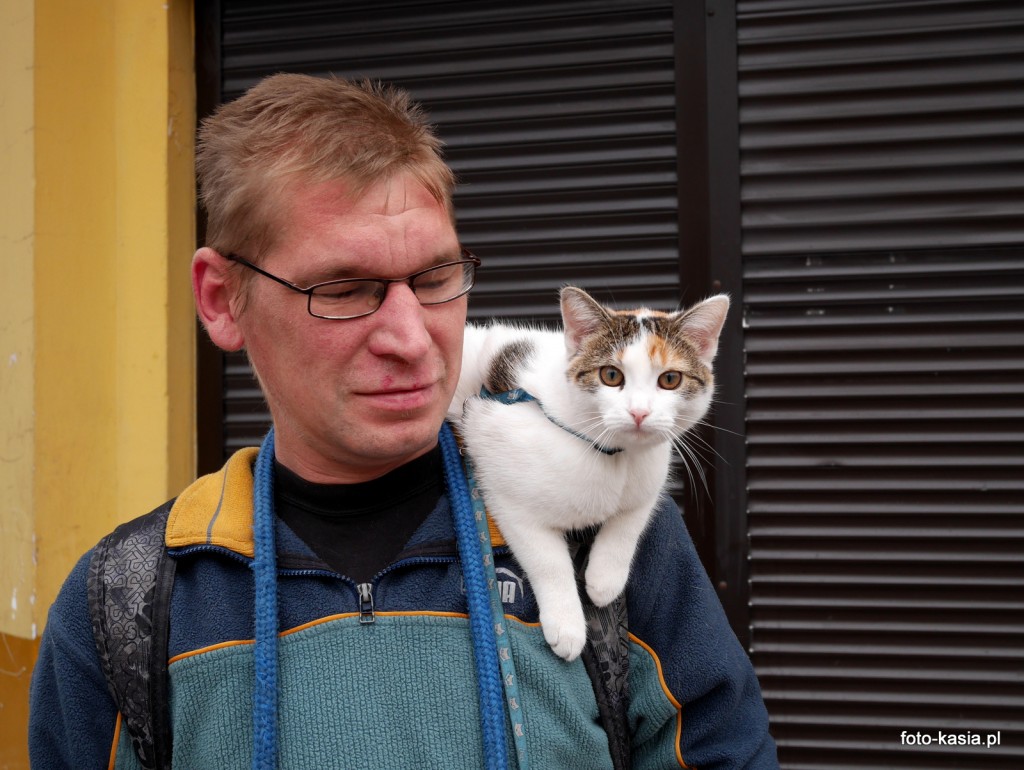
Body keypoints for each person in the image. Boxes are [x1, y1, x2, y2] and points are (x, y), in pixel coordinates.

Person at [29, 73, 778, 769]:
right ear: (224, 300)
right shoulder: (130, 602)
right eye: (345, 287)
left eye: (435, 278)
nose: (413, 337)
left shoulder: (610, 537)